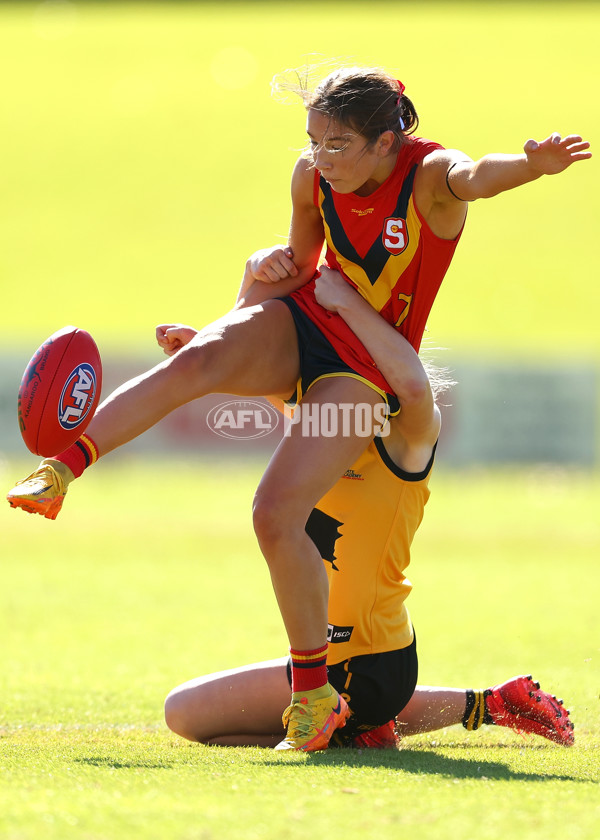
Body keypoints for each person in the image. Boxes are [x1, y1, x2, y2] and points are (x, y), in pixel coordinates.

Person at [7, 65, 590, 751]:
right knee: (194, 364)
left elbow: (476, 177)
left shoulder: (427, 176)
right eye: (312, 140)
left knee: (272, 512)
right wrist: (238, 313)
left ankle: (317, 697)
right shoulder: (311, 179)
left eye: (337, 143)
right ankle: (63, 468)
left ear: (387, 140)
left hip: (366, 362)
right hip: (310, 319)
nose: (320, 158)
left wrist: (530, 165)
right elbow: (296, 270)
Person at [163, 268, 573, 749]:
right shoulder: (324, 424)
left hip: (374, 659)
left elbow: (416, 390)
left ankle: (354, 720)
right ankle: (473, 707)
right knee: (198, 721)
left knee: (191, 716)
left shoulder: (406, 437)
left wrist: (347, 303)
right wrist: (206, 339)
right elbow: (258, 369)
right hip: (322, 657)